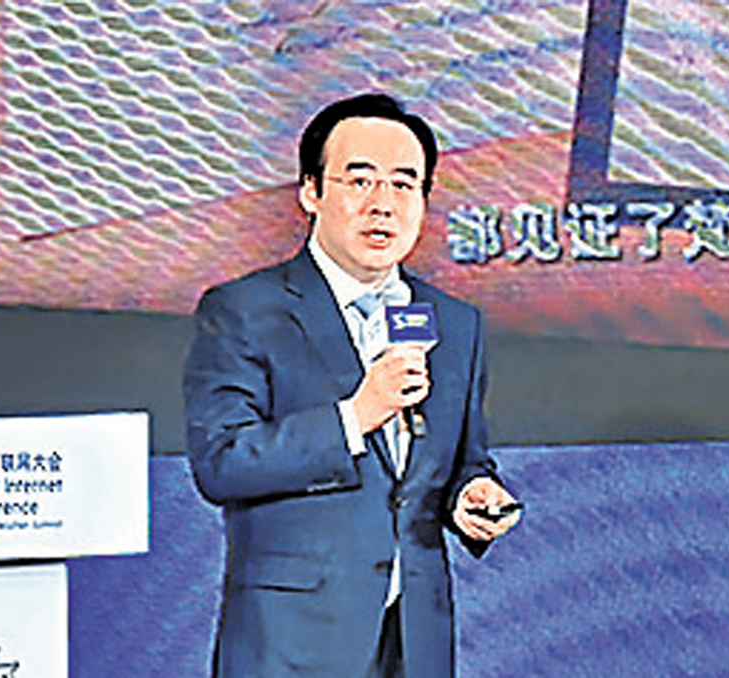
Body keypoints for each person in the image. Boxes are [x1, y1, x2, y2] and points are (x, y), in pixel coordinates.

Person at [184, 93, 521, 678]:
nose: (382, 204)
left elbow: (462, 460)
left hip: (413, 639)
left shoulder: (454, 323)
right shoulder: (244, 310)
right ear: (311, 192)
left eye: (403, 184)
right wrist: (356, 416)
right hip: (292, 643)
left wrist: (470, 496)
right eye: (360, 181)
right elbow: (223, 461)